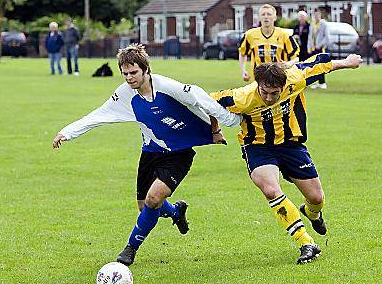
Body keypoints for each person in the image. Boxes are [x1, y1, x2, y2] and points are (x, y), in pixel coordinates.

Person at [52, 43, 241, 266]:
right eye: (125, 74)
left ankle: (130, 249)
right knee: (145, 206)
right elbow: (99, 115)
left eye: (134, 73)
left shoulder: (168, 87)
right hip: (150, 152)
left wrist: (227, 124)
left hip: (178, 154)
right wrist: (67, 132)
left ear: (146, 70)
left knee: (153, 199)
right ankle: (175, 212)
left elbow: (202, 99)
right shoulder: (124, 94)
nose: (130, 78)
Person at [211, 53, 363, 264]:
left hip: (291, 145)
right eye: (265, 92)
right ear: (258, 84)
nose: (270, 98)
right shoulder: (242, 97)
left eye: (275, 93)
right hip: (258, 147)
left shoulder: (295, 78)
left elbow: (319, 64)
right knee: (271, 190)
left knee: (317, 199)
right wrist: (215, 130)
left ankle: (313, 214)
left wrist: (347, 63)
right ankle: (306, 242)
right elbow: (208, 102)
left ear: (284, 85)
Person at [239, 4, 299, 82]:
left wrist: (288, 64)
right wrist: (243, 71)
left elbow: (296, 57)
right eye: (263, 14)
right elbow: (243, 53)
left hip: (279, 79)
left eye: (269, 14)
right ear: (259, 18)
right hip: (258, 80)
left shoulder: (284, 35)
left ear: (275, 17)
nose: (266, 17)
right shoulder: (250, 35)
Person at [307, 9, 330, 89]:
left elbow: (326, 36)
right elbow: (310, 36)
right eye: (315, 15)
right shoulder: (312, 24)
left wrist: (320, 45)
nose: (316, 17)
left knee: (321, 65)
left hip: (321, 48)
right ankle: (319, 82)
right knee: (316, 65)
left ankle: (323, 82)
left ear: (320, 15)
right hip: (314, 48)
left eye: (317, 15)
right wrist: (309, 47)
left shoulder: (324, 24)